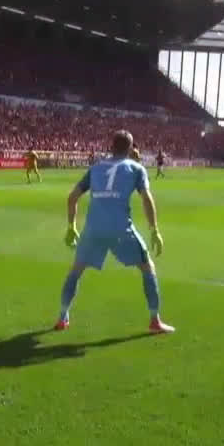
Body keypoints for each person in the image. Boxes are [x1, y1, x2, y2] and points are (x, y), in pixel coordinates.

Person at [57, 130, 174, 334]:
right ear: (130, 149)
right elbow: (147, 198)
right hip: (121, 229)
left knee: (76, 270)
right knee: (148, 268)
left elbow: (72, 197)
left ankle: (62, 317)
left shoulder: (95, 168)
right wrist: (154, 230)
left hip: (93, 229)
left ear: (111, 146)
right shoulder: (136, 168)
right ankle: (155, 320)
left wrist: (71, 226)